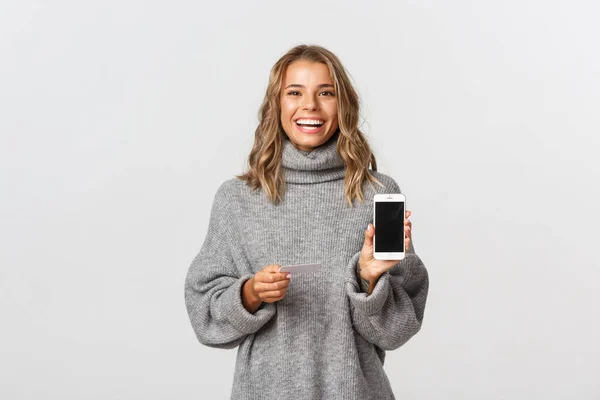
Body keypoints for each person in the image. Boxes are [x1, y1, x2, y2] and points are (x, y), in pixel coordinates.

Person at [184, 44, 429, 400]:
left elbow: (397, 330)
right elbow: (205, 316)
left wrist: (370, 279)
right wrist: (250, 294)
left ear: (342, 104)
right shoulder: (237, 199)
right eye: (294, 92)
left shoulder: (377, 193)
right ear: (276, 105)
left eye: (325, 93)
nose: (310, 105)